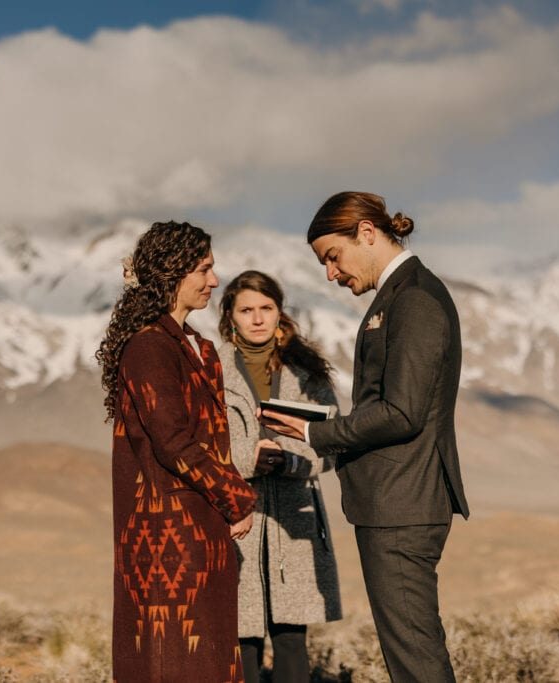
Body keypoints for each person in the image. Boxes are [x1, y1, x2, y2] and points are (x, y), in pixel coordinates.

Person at [262, 192, 470, 682]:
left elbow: (402, 412)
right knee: (411, 654)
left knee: (415, 659)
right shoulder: (400, 296)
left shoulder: (414, 299)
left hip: (403, 505)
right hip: (396, 503)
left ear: (367, 233)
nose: (331, 274)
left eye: (332, 257)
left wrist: (318, 432)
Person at [97, 220, 258, 683]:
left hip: (200, 534)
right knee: (177, 665)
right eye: (204, 269)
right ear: (173, 273)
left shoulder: (194, 346)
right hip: (168, 538)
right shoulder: (148, 347)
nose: (214, 280)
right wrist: (237, 496)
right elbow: (173, 441)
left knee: (204, 660)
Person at [217, 270, 343, 683]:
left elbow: (334, 443)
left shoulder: (309, 372)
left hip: (295, 520)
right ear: (230, 317)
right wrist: (247, 459)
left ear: (279, 312)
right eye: (246, 310)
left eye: (266, 308)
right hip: (236, 518)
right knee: (241, 637)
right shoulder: (209, 372)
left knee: (291, 639)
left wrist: (289, 462)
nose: (257, 319)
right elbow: (198, 444)